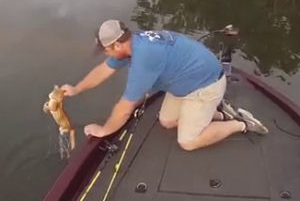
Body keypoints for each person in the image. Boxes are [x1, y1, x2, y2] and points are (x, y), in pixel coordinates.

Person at [61, 20, 268, 151]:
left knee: (188, 142)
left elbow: (125, 108)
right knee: (167, 122)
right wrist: (76, 89)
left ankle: (241, 124)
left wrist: (104, 130)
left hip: (205, 85)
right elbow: (103, 70)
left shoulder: (145, 57)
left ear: (117, 45)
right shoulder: (131, 43)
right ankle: (221, 114)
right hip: (183, 83)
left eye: (105, 49)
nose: (105, 54)